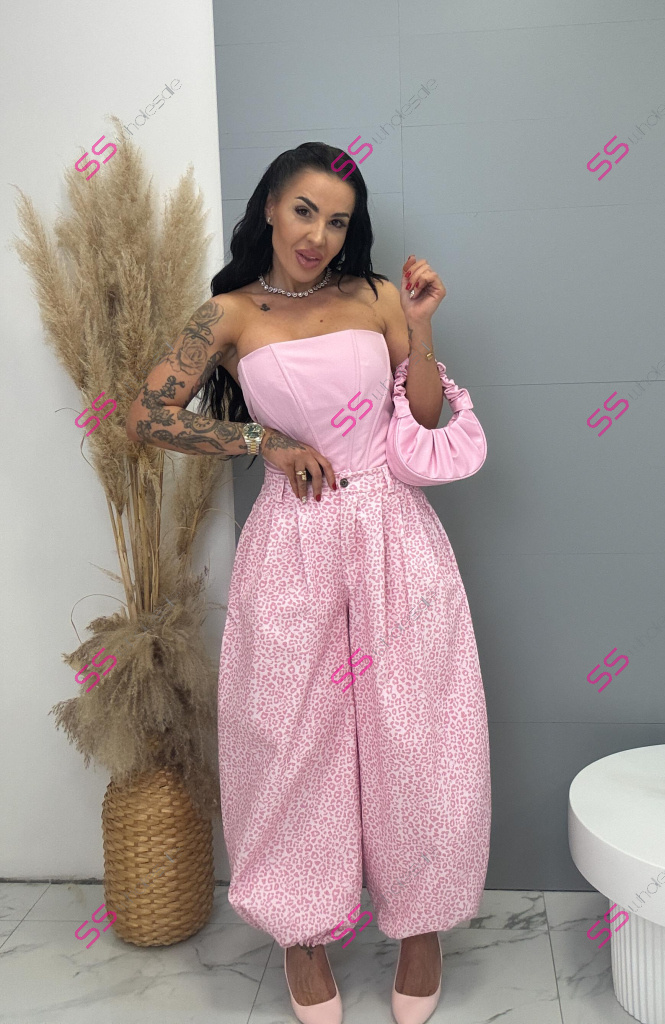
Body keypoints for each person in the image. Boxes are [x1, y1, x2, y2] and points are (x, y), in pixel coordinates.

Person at [126, 141, 491, 1024]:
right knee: (288, 740)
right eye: (303, 210)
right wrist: (262, 441)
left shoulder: (378, 297)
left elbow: (424, 419)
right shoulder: (226, 314)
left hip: (394, 533)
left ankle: (421, 928)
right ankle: (302, 936)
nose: (317, 235)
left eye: (336, 221)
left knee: (421, 733)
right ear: (268, 207)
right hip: (291, 543)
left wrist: (423, 326)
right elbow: (146, 415)